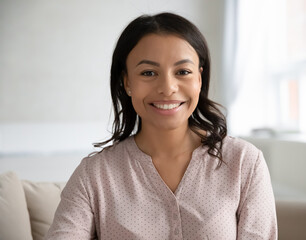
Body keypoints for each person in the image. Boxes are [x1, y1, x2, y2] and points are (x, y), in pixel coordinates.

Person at [45, 12, 277, 239]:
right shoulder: (93, 176)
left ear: (199, 79)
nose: (167, 88)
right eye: (148, 72)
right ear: (127, 82)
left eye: (183, 72)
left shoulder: (244, 163)